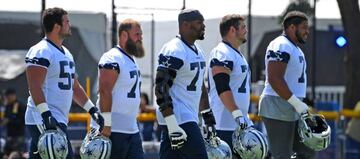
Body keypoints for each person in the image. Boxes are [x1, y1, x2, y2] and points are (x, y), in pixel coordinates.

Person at [24, 7, 104, 159]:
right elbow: (34, 86)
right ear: (56, 26)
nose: (70, 25)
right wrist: (46, 114)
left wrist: (92, 109)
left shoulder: (66, 53)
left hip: (58, 119)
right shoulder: (41, 50)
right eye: (67, 21)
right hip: (43, 118)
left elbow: (74, 87)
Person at [155, 9, 215, 159]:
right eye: (199, 23)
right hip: (179, 118)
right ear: (185, 25)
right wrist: (172, 124)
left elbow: (200, 87)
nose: (204, 26)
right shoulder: (174, 49)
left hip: (187, 117)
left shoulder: (198, 51)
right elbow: (161, 88)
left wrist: (207, 118)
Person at [258, 11, 315, 159]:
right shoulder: (281, 44)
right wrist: (296, 103)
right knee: (282, 155)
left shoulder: (294, 48)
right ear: (291, 27)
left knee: (307, 151)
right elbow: (274, 78)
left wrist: (300, 103)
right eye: (304, 27)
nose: (307, 31)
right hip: (278, 105)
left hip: (291, 105)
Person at [207, 14, 253, 158]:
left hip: (237, 124)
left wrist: (242, 117)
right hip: (224, 124)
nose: (246, 30)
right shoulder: (223, 51)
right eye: (243, 27)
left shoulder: (236, 53)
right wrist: (237, 114)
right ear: (232, 30)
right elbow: (222, 86)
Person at [98, 18, 145, 159]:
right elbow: (104, 91)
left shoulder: (130, 59)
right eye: (137, 34)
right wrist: (106, 123)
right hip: (113, 130)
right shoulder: (112, 57)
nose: (140, 38)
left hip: (131, 129)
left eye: (141, 35)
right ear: (124, 35)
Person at [0, 88, 26, 158]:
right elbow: (3, 119)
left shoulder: (20, 105)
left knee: (15, 155)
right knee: (5, 155)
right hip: (8, 136)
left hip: (18, 136)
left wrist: (9, 120)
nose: (6, 98)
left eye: (7, 96)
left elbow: (22, 121)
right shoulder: (7, 106)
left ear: (13, 95)